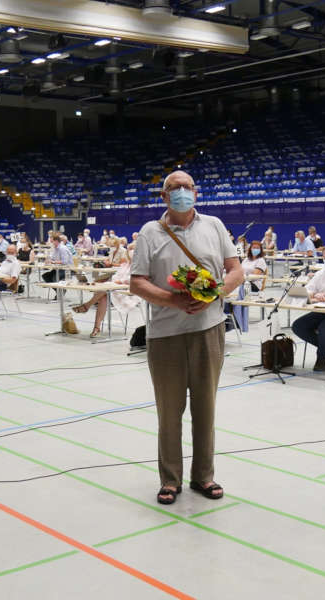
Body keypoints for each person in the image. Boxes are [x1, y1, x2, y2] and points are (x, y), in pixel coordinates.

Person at [129, 170, 243, 506]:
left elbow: (235, 270)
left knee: (205, 409)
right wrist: (172, 299)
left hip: (208, 330)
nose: (181, 191)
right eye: (174, 188)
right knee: (169, 411)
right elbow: (137, 282)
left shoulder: (214, 226)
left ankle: (203, 476)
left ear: (197, 192)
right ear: (164, 196)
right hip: (165, 334)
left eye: (187, 187)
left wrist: (215, 293)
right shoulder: (150, 232)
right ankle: (170, 479)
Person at [72, 239, 135, 338]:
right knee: (103, 295)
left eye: (132, 250)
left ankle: (87, 306)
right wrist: (115, 281)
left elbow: (132, 280)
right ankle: (96, 327)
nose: (130, 252)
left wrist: (119, 281)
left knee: (104, 290)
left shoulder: (138, 266)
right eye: (129, 250)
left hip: (129, 290)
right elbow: (117, 276)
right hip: (115, 286)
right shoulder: (125, 264)